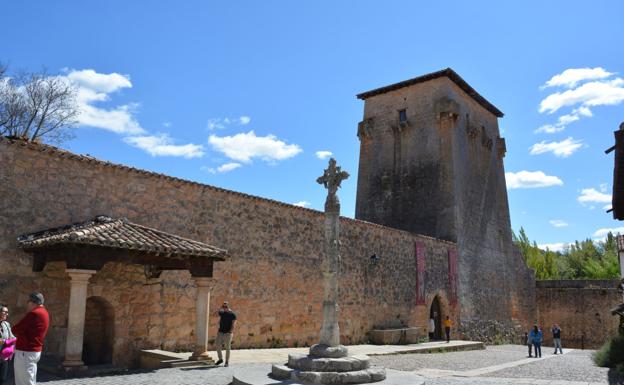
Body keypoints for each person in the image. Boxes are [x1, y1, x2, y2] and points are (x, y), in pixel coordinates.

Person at [12, 292, 49, 385]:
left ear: (32, 302)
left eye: (28, 301)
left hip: (26, 351)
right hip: (33, 351)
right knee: (29, 379)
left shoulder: (34, 313)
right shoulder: (44, 312)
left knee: (23, 381)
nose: (27, 304)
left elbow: (16, 329)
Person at [215, 301, 236, 367]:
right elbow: (218, 312)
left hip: (228, 333)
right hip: (220, 332)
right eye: (223, 307)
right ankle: (220, 359)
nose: (224, 308)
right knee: (218, 346)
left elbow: (233, 324)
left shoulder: (232, 314)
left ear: (229, 307)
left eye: (226, 307)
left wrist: (230, 332)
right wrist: (221, 306)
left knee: (227, 348)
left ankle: (227, 362)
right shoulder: (222, 313)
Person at [0, 304, 16, 385]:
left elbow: (12, 337)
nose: (7, 314)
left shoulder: (6, 324)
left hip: (4, 356)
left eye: (7, 312)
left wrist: (12, 340)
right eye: (5, 312)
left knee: (2, 379)